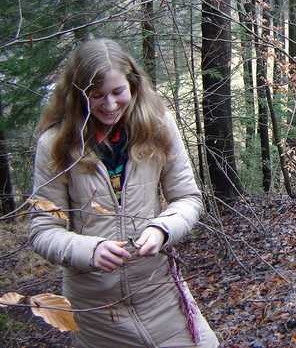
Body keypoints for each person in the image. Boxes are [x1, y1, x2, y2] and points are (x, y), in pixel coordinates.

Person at [29, 38, 219, 347]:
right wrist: (90, 250)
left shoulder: (158, 125)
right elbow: (43, 230)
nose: (109, 105)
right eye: (97, 95)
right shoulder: (56, 144)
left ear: (133, 85)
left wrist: (162, 229)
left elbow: (187, 198)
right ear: (78, 95)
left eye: (118, 92)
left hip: (158, 289)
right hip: (96, 309)